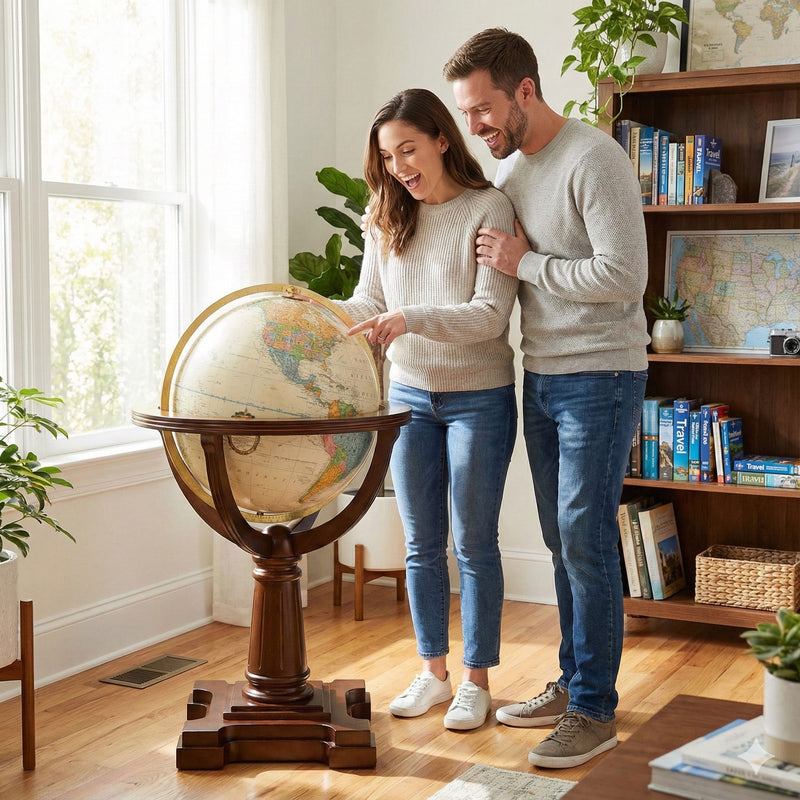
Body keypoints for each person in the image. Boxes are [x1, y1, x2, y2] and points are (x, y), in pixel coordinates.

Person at [443, 28, 649, 766]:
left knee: (586, 537)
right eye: (467, 114)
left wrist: (527, 262)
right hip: (544, 374)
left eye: (484, 109)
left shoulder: (596, 159)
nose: (476, 126)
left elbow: (625, 278)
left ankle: (594, 708)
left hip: (603, 374)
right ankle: (571, 682)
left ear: (524, 90)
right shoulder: (512, 178)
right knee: (563, 541)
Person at [334, 88, 518, 731]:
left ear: (443, 138)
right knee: (421, 546)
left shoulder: (488, 207)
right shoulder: (385, 216)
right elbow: (368, 302)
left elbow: (490, 316)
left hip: (479, 399)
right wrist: (320, 315)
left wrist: (409, 318)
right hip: (409, 398)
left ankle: (477, 682)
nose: (399, 167)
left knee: (472, 543)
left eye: (408, 149)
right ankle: (433, 674)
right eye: (387, 157)